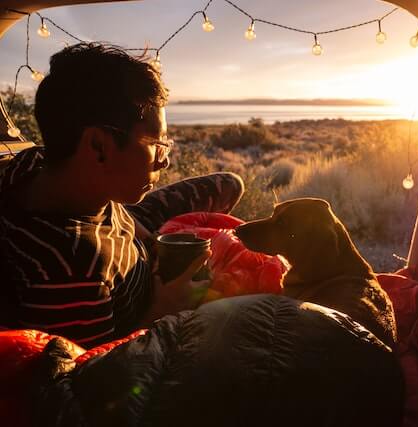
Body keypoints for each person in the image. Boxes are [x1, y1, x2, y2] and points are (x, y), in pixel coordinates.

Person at [0, 43, 244, 348]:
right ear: (99, 147)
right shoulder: (71, 272)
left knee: (229, 184)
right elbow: (94, 374)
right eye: (155, 143)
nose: (164, 160)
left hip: (130, 232)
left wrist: (148, 239)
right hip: (141, 309)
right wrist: (162, 311)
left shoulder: (37, 164)